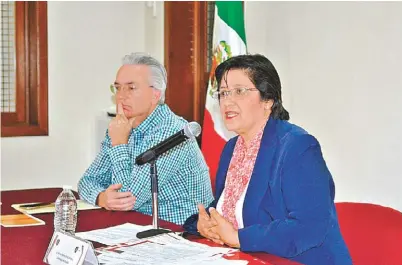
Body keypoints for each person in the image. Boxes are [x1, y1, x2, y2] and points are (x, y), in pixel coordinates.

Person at [183, 54, 352, 265]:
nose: (227, 101)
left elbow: (308, 227)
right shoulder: (231, 149)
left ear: (268, 100)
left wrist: (238, 238)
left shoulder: (297, 147)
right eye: (223, 93)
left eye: (239, 91)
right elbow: (228, 207)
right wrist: (201, 224)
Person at [78, 52, 213, 225]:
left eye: (131, 88)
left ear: (155, 95)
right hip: (136, 225)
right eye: (118, 88)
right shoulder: (121, 126)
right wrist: (101, 197)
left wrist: (119, 143)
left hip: (179, 230)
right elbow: (87, 181)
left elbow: (128, 198)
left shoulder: (173, 132)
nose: (121, 96)